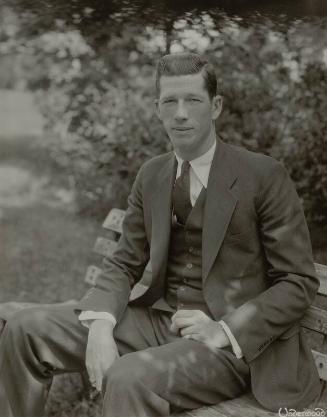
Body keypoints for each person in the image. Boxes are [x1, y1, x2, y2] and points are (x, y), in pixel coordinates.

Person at [0, 53, 321, 417]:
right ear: (157, 108)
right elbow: (124, 262)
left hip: (227, 346)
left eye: (193, 100)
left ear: (215, 107)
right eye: (170, 101)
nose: (181, 113)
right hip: (157, 320)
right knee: (25, 328)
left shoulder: (262, 175)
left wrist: (224, 329)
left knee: (127, 377)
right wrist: (101, 324)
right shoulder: (152, 175)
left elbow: (298, 281)